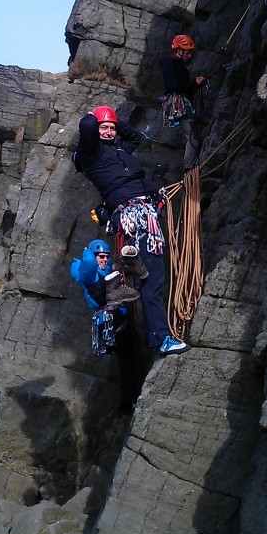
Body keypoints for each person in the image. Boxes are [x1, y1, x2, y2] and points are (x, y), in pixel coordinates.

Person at [72, 105, 189, 356]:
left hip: (145, 212)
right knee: (152, 278)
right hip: (130, 215)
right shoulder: (89, 154)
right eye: (103, 128)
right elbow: (87, 129)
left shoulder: (119, 149)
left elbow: (134, 137)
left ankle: (158, 335)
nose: (108, 132)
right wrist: (97, 116)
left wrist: (113, 119)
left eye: (112, 129)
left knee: (153, 273)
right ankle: (161, 338)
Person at [70, 238, 141, 414]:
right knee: (127, 361)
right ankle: (129, 401)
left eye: (106, 256)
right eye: (100, 257)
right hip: (111, 321)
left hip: (116, 318)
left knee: (129, 359)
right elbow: (87, 263)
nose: (104, 259)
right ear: (93, 257)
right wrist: (88, 250)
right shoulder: (89, 274)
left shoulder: (103, 271)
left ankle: (129, 400)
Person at [159, 35, 206, 173]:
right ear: (179, 51)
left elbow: (182, 86)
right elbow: (175, 86)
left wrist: (196, 84)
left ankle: (190, 164)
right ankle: (189, 169)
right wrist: (194, 83)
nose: (190, 55)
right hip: (176, 102)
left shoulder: (178, 66)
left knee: (199, 125)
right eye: (187, 52)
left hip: (180, 101)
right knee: (194, 136)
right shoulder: (169, 65)